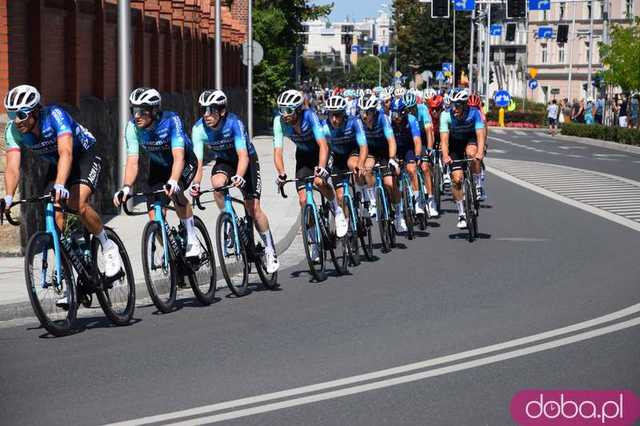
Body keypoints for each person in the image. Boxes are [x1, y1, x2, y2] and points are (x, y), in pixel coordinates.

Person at [2, 84, 122, 306]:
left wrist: (59, 185)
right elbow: (11, 167)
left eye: (21, 114)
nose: (16, 120)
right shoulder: (13, 131)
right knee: (57, 221)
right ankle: (73, 281)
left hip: (84, 156)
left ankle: (107, 245)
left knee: (77, 203)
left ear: (36, 110)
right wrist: (8, 197)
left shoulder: (56, 116)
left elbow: (66, 152)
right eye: (11, 114)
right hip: (58, 163)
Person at [189, 90, 279, 273]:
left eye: (211, 110)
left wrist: (239, 176)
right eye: (204, 110)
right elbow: (197, 161)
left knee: (253, 208)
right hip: (224, 162)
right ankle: (229, 220)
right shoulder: (199, 129)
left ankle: (269, 249)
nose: (206, 115)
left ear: (221, 111)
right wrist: (196, 183)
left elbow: (243, 156)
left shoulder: (234, 124)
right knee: (217, 183)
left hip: (246, 162)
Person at [113, 87, 200, 259]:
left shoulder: (171, 120)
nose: (136, 115)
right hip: (159, 167)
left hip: (184, 162)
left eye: (141, 111)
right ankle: (172, 252)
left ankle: (192, 237)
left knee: (176, 194)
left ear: (153, 110)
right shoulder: (132, 127)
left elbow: (178, 156)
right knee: (155, 215)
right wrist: (126, 187)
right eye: (133, 110)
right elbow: (132, 161)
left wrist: (174, 180)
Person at [272, 89, 348, 259]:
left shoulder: (310, 117)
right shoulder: (279, 122)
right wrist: (282, 173)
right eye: (281, 110)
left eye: (288, 110)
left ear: (298, 109)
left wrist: (321, 168)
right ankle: (314, 242)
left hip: (320, 152)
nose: (284, 114)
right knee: (303, 200)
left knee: (319, 183)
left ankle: (337, 211)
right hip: (303, 157)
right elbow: (278, 151)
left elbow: (323, 145)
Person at [439, 89, 486, 230]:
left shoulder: (474, 113)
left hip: (470, 139)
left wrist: (480, 152)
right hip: (454, 145)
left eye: (458, 105)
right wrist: (445, 156)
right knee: (457, 179)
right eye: (453, 104)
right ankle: (461, 214)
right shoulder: (446, 115)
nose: (454, 108)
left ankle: (477, 184)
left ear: (465, 105)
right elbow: (444, 140)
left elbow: (480, 135)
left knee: (472, 153)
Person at [321, 95, 368, 216]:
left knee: (353, 165)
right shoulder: (325, 126)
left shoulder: (354, 122)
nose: (334, 119)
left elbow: (363, 146)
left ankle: (363, 193)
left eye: (338, 115)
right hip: (337, 157)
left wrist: (361, 164)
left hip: (352, 152)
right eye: (331, 115)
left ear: (344, 113)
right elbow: (323, 148)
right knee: (341, 198)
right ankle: (349, 223)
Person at [359, 94, 398, 220]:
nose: (364, 116)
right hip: (371, 152)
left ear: (374, 111)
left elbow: (391, 140)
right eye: (362, 112)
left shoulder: (382, 118)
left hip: (385, 151)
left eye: (367, 112)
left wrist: (392, 158)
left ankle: (399, 212)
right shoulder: (359, 122)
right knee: (367, 168)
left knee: (390, 184)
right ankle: (373, 202)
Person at [389, 97, 422, 233]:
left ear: (404, 113)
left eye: (398, 114)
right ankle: (396, 208)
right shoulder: (389, 122)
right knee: (394, 176)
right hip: (394, 150)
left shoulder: (411, 120)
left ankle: (418, 201)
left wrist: (418, 156)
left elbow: (417, 140)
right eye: (394, 113)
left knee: (412, 169)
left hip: (408, 148)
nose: (396, 117)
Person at [405, 91, 438, 217]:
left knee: (424, 167)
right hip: (409, 141)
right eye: (408, 109)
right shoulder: (404, 116)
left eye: (412, 108)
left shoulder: (423, 109)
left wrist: (430, 148)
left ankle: (431, 200)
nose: (410, 111)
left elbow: (429, 130)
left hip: (423, 138)